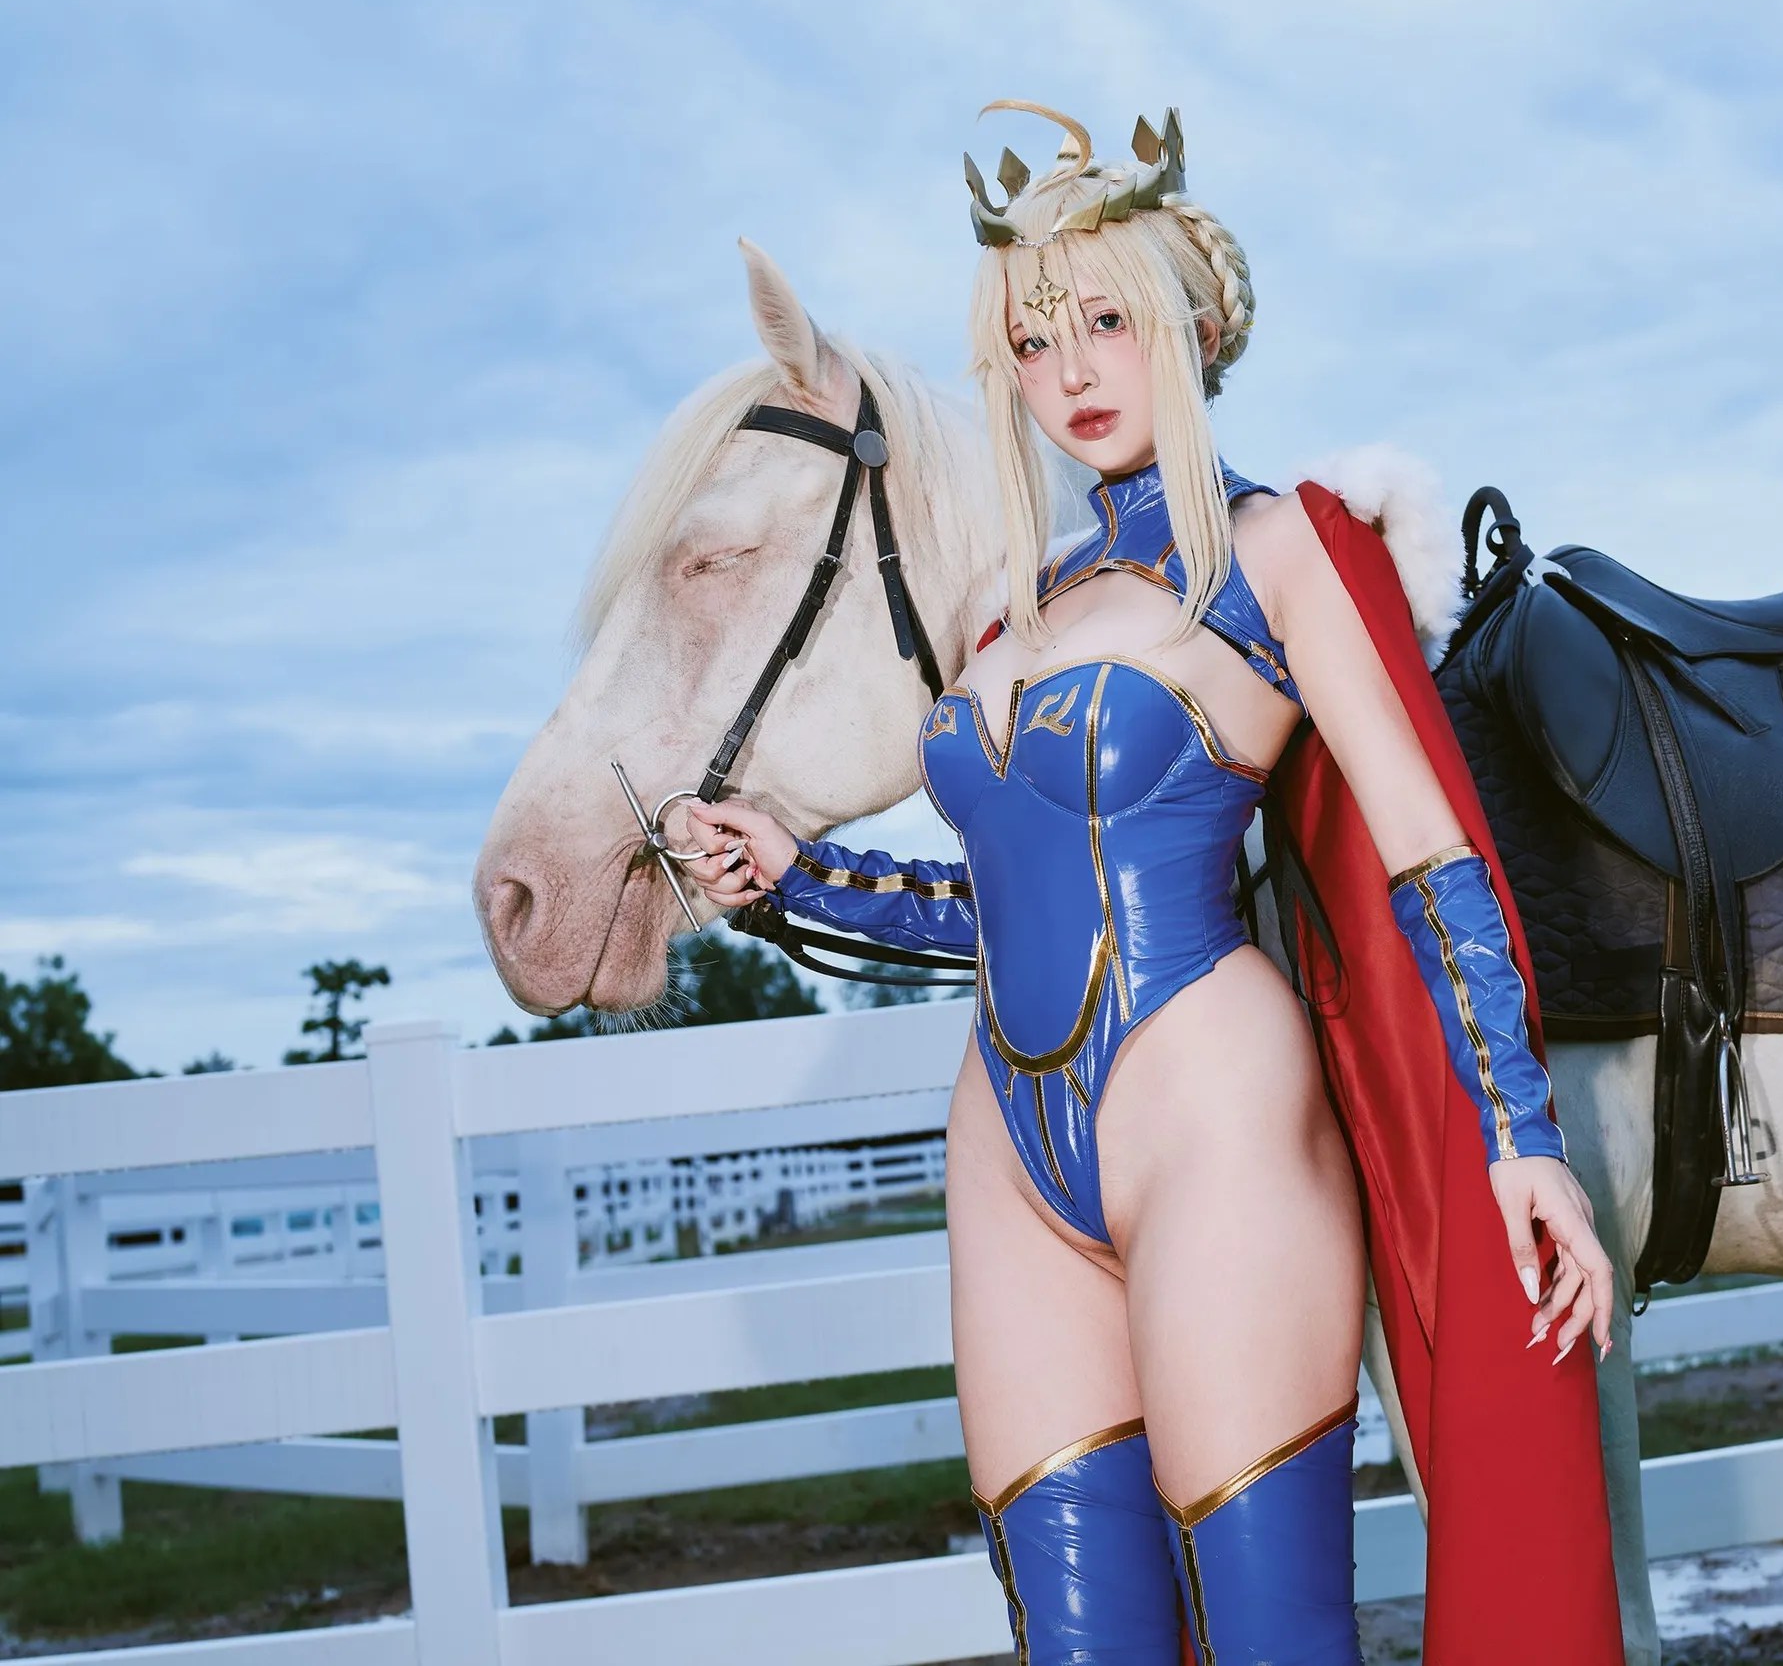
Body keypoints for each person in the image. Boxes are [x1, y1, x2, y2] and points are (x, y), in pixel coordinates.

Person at [679, 101, 1622, 1663]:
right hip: (1010, 1147)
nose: (1072, 373)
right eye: (1033, 343)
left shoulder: (1277, 552)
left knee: (1268, 1637)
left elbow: (1429, 854)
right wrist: (794, 879)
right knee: (1079, 1640)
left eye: (1106, 322)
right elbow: (998, 901)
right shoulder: (1019, 609)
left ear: (1191, 322)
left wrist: (1520, 1137)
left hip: (1213, 1123)